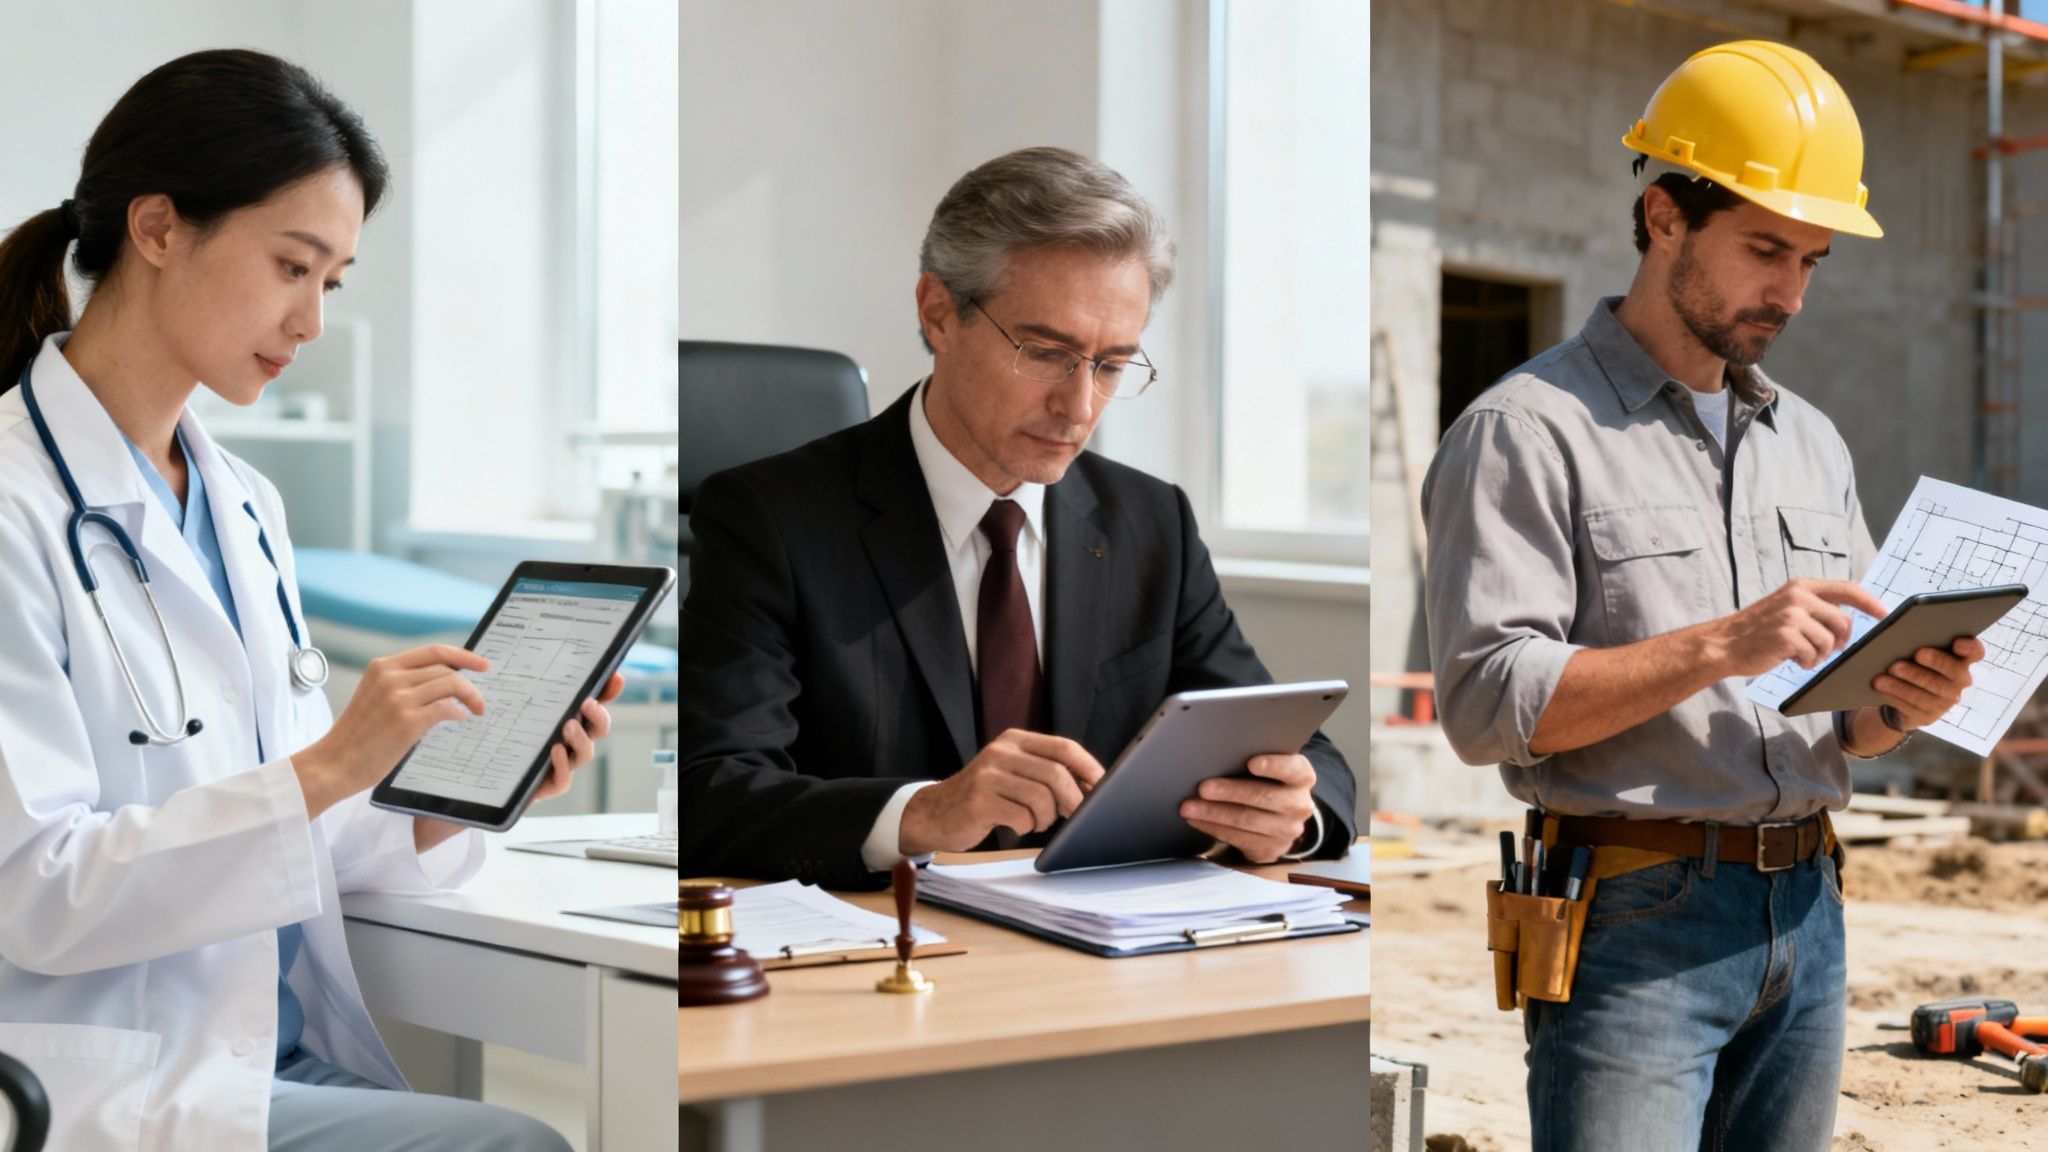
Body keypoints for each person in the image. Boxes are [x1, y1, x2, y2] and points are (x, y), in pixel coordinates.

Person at [0, 50, 623, 1152]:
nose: (313, 322)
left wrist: (443, 794)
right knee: (519, 1145)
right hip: (105, 1073)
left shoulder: (242, 506)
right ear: (157, 228)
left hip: (252, 1051)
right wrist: (337, 758)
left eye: (331, 282)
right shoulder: (12, 505)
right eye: (293, 266)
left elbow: (284, 830)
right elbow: (37, 892)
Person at [1421, 41, 1982, 1151]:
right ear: (1664, 214)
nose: (1787, 290)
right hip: (1635, 919)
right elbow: (1484, 705)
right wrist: (1720, 644)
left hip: (1809, 909)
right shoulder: (1526, 431)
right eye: (1763, 248)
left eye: (1811, 259)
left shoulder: (1810, 444)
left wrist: (1901, 698)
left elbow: (1848, 722)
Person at [680, 146, 1356, 890]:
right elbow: (712, 792)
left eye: (1111, 365)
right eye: (1045, 352)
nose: (1080, 406)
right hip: (880, 955)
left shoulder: (1149, 520)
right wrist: (924, 813)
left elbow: (1306, 756)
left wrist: (1292, 815)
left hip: (1100, 955)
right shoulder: (770, 518)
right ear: (938, 313)